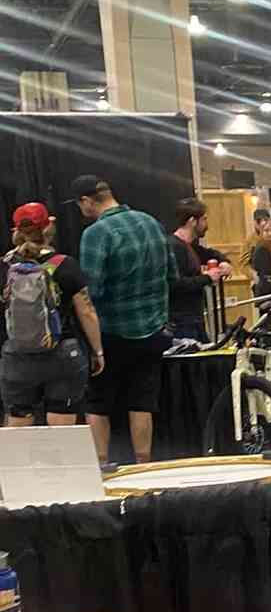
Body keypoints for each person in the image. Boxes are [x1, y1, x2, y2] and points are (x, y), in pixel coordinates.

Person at [72, 174, 176, 466]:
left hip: (110, 334)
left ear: (87, 201)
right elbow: (172, 276)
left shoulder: (96, 233)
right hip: (153, 330)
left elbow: (91, 291)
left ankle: (102, 468)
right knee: (142, 402)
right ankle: (144, 466)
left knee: (98, 403)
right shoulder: (151, 222)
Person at [0, 202, 103, 429]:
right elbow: (86, 311)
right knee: (61, 426)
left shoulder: (5, 266)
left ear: (15, 231)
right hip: (62, 353)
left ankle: (19, 466)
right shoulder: (65, 265)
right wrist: (97, 351)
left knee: (18, 423)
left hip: (17, 355)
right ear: (48, 228)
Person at [167, 197, 232, 339]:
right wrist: (207, 278)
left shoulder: (189, 246)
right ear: (192, 221)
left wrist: (224, 262)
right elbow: (176, 285)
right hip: (182, 323)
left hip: (193, 319)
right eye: (204, 219)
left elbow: (209, 253)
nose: (206, 224)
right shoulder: (175, 247)